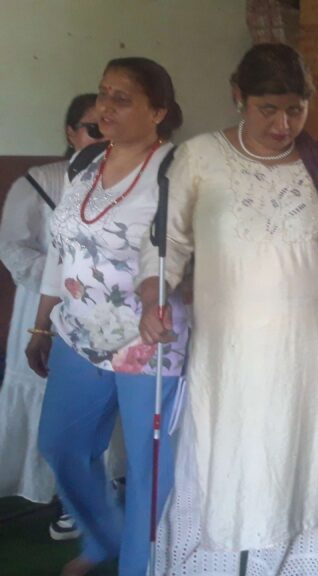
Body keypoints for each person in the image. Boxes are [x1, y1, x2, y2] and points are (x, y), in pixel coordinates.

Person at [137, 44, 318, 575]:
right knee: (222, 460)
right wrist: (151, 295)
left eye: (295, 109)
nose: (283, 123)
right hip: (228, 353)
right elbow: (167, 243)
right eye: (268, 108)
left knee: (291, 465)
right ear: (238, 97)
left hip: (305, 352)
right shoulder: (199, 157)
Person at [28, 58, 186, 576]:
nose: (106, 107)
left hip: (148, 344)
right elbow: (60, 250)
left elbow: (185, 253)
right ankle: (103, 536)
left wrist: (153, 301)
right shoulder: (85, 163)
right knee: (60, 442)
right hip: (78, 337)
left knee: (148, 471)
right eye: (103, 94)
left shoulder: (175, 172)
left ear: (157, 111)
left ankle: (138, 567)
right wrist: (42, 322)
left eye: (123, 98)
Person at [0, 94, 104, 541]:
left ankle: (100, 489)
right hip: (48, 307)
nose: (103, 138)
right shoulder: (40, 181)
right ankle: (63, 496)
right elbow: (13, 246)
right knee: (52, 403)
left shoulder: (121, 181)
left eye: (109, 127)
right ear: (70, 132)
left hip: (103, 311)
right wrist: (61, 276)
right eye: (92, 129)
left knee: (99, 403)